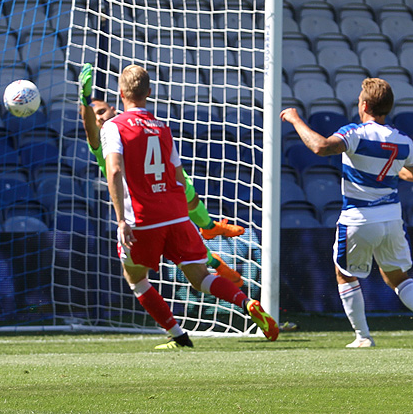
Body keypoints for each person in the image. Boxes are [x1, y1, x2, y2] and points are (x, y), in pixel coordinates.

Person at [98, 64, 278, 348]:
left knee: (136, 279)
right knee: (200, 277)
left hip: (142, 219)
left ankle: (178, 335)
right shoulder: (162, 127)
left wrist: (121, 220)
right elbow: (180, 177)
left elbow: (115, 170)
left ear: (121, 93)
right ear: (149, 92)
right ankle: (246, 302)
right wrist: (192, 215)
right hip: (176, 215)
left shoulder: (113, 126)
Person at [280, 78, 413, 349]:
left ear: (363, 105)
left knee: (345, 274)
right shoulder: (403, 140)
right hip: (392, 218)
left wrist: (295, 119)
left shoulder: (355, 133)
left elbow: (320, 147)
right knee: (396, 275)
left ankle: (363, 336)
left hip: (359, 216)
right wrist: (398, 171)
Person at [77, 63, 246, 291]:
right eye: (94, 115)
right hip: (142, 200)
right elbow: (91, 131)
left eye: (101, 112)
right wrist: (85, 101)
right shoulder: (105, 139)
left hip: (161, 178)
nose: (98, 118)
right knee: (181, 240)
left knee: (188, 201)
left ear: (115, 107)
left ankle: (209, 227)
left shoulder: (141, 125)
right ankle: (215, 261)